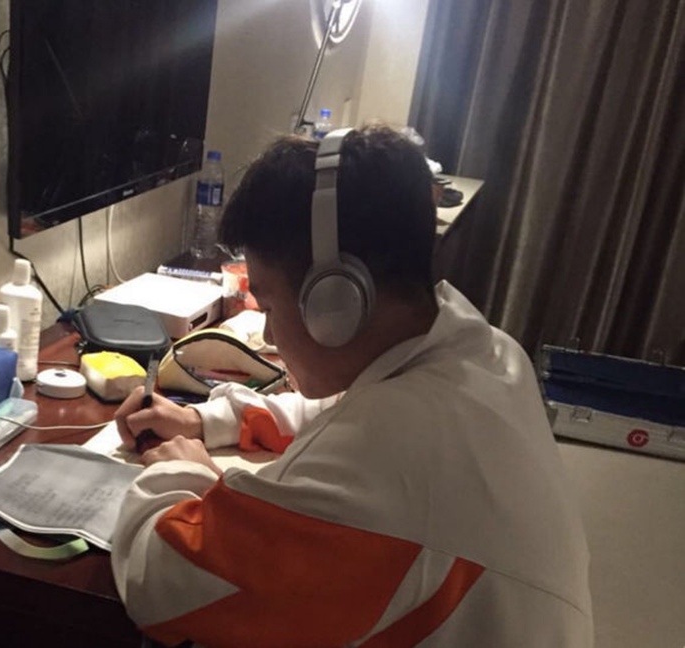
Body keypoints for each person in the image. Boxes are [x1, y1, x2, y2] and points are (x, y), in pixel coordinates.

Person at [111, 124, 593, 647]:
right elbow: (345, 413)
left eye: (268, 305)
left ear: (334, 301)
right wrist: (204, 420)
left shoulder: (388, 448)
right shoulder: (486, 354)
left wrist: (180, 471)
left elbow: (160, 585)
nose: (268, 334)